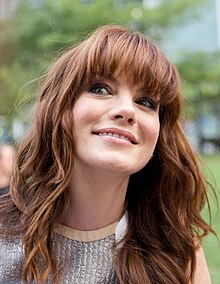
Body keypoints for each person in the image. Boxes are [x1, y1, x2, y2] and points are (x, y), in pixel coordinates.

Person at [0, 25, 214, 284]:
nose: (127, 110)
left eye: (145, 102)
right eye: (101, 89)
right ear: (60, 109)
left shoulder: (179, 253)